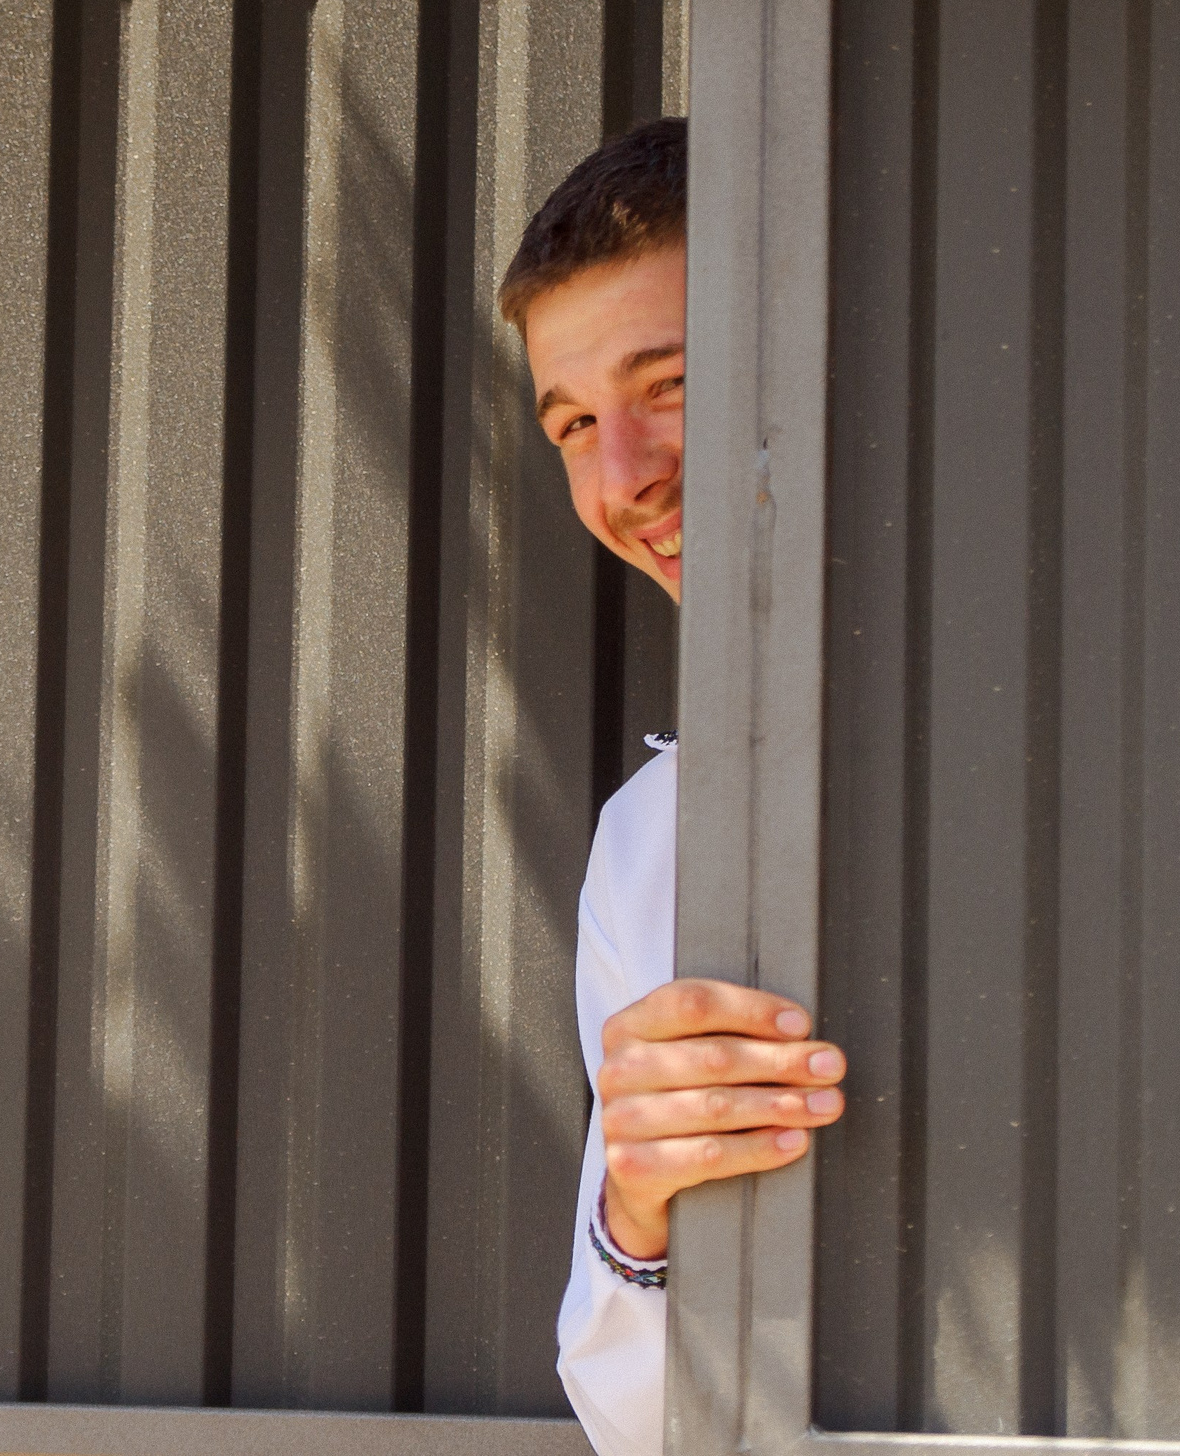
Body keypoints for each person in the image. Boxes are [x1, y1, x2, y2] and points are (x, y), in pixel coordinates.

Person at [498, 117, 849, 1456]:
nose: (625, 475)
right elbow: (637, 1429)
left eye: (674, 385)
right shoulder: (650, 842)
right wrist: (636, 1215)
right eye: (577, 423)